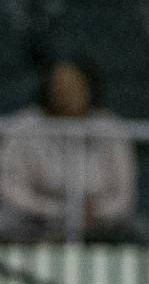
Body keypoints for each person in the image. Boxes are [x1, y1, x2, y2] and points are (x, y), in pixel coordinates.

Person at [0, 59, 138, 243]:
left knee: (134, 231)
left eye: (74, 85)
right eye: (59, 86)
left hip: (98, 227)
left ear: (89, 87)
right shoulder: (24, 127)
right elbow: (10, 188)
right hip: (33, 225)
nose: (66, 93)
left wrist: (95, 211)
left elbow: (124, 197)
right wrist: (60, 211)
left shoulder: (110, 128)